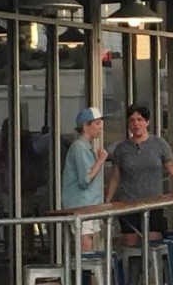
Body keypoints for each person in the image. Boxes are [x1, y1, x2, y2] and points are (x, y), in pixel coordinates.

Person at [106, 104, 173, 246]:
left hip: (153, 202)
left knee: (153, 242)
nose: (136, 124)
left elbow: (172, 167)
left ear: (147, 122)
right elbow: (115, 176)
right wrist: (108, 201)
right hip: (128, 204)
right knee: (130, 244)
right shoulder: (121, 148)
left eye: (140, 120)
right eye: (132, 121)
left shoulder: (159, 144)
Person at [61, 107, 108, 251]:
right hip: (81, 205)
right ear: (85, 126)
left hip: (90, 205)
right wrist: (100, 161)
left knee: (92, 245)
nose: (100, 128)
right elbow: (85, 180)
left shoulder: (86, 147)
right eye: (97, 124)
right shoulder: (79, 147)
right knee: (85, 247)